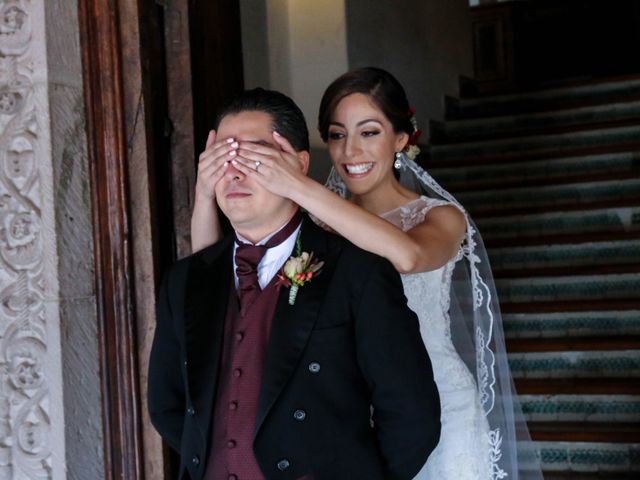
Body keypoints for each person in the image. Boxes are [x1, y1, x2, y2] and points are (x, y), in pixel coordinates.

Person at [190, 68, 542, 479]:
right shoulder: (313, 228)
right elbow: (219, 278)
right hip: (345, 411)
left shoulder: (440, 216)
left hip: (439, 409)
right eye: (337, 135)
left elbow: (408, 256)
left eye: (369, 132)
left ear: (402, 138)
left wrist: (297, 186)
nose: (350, 152)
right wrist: (203, 194)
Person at [148, 87, 441, 480]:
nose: (234, 171)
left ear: (297, 165)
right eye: (223, 157)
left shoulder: (358, 272)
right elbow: (167, 403)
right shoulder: (184, 281)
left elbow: (412, 416)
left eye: (253, 156)